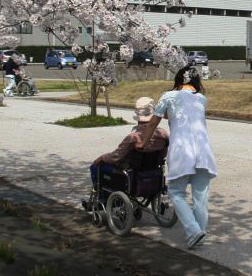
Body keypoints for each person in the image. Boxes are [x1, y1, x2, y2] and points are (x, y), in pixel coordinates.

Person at [138, 65, 217, 249]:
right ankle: (200, 235)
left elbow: (153, 122)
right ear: (196, 81)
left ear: (178, 79)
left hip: (183, 151)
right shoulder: (202, 99)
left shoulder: (169, 96)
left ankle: (193, 230)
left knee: (176, 192)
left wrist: (143, 143)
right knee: (201, 196)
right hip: (204, 152)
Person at [89, 97, 169, 187]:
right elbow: (163, 155)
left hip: (131, 175)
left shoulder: (133, 138)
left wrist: (102, 158)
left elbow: (116, 157)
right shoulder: (163, 135)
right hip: (153, 173)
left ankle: (101, 197)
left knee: (96, 167)